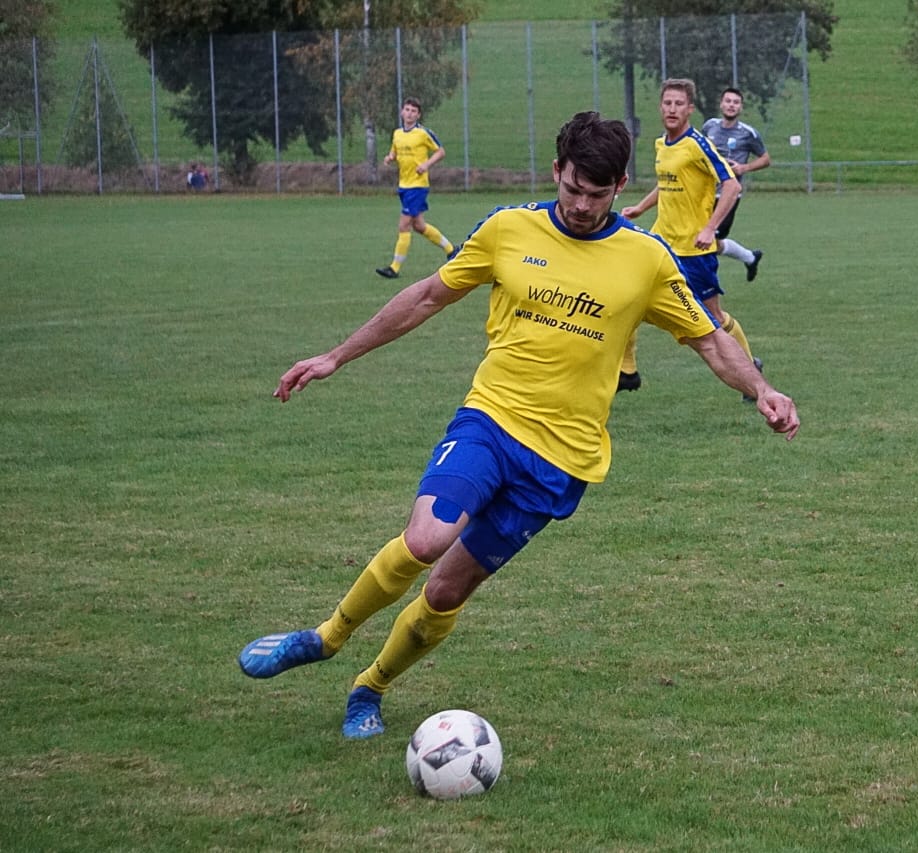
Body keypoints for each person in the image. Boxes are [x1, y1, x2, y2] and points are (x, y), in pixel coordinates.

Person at [238, 111, 800, 739]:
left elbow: (708, 340)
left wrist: (761, 389)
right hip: (492, 420)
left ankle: (369, 688)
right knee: (426, 540)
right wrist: (335, 355)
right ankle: (326, 637)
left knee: (447, 593)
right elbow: (427, 296)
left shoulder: (646, 259)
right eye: (572, 188)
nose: (582, 206)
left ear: (618, 186)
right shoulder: (509, 230)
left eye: (596, 193)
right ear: (556, 171)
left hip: (562, 460)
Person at [617, 78, 754, 395]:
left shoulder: (698, 145)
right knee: (626, 294)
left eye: (679, 104)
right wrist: (640, 207)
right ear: (660, 107)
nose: (672, 109)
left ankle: (749, 373)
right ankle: (627, 371)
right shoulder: (661, 144)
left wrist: (709, 229)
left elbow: (732, 186)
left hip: (694, 251)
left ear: (690, 109)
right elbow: (665, 184)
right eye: (668, 103)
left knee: (714, 319)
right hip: (660, 242)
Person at [376, 97, 455, 279]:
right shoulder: (397, 133)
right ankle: (451, 250)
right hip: (404, 185)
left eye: (413, 111)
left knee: (404, 225)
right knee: (419, 225)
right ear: (402, 112)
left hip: (418, 186)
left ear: (418, 115)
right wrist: (389, 158)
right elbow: (395, 152)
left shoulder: (423, 133)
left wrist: (426, 165)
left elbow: (440, 152)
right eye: (407, 109)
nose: (410, 113)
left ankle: (394, 268)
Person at [701, 87, 771, 282]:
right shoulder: (710, 126)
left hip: (727, 196)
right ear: (721, 104)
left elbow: (766, 159)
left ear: (740, 108)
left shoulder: (748, 133)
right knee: (707, 240)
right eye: (728, 101)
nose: (731, 105)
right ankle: (750, 257)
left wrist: (743, 168)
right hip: (704, 194)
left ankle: (705, 286)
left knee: (708, 242)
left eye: (736, 102)